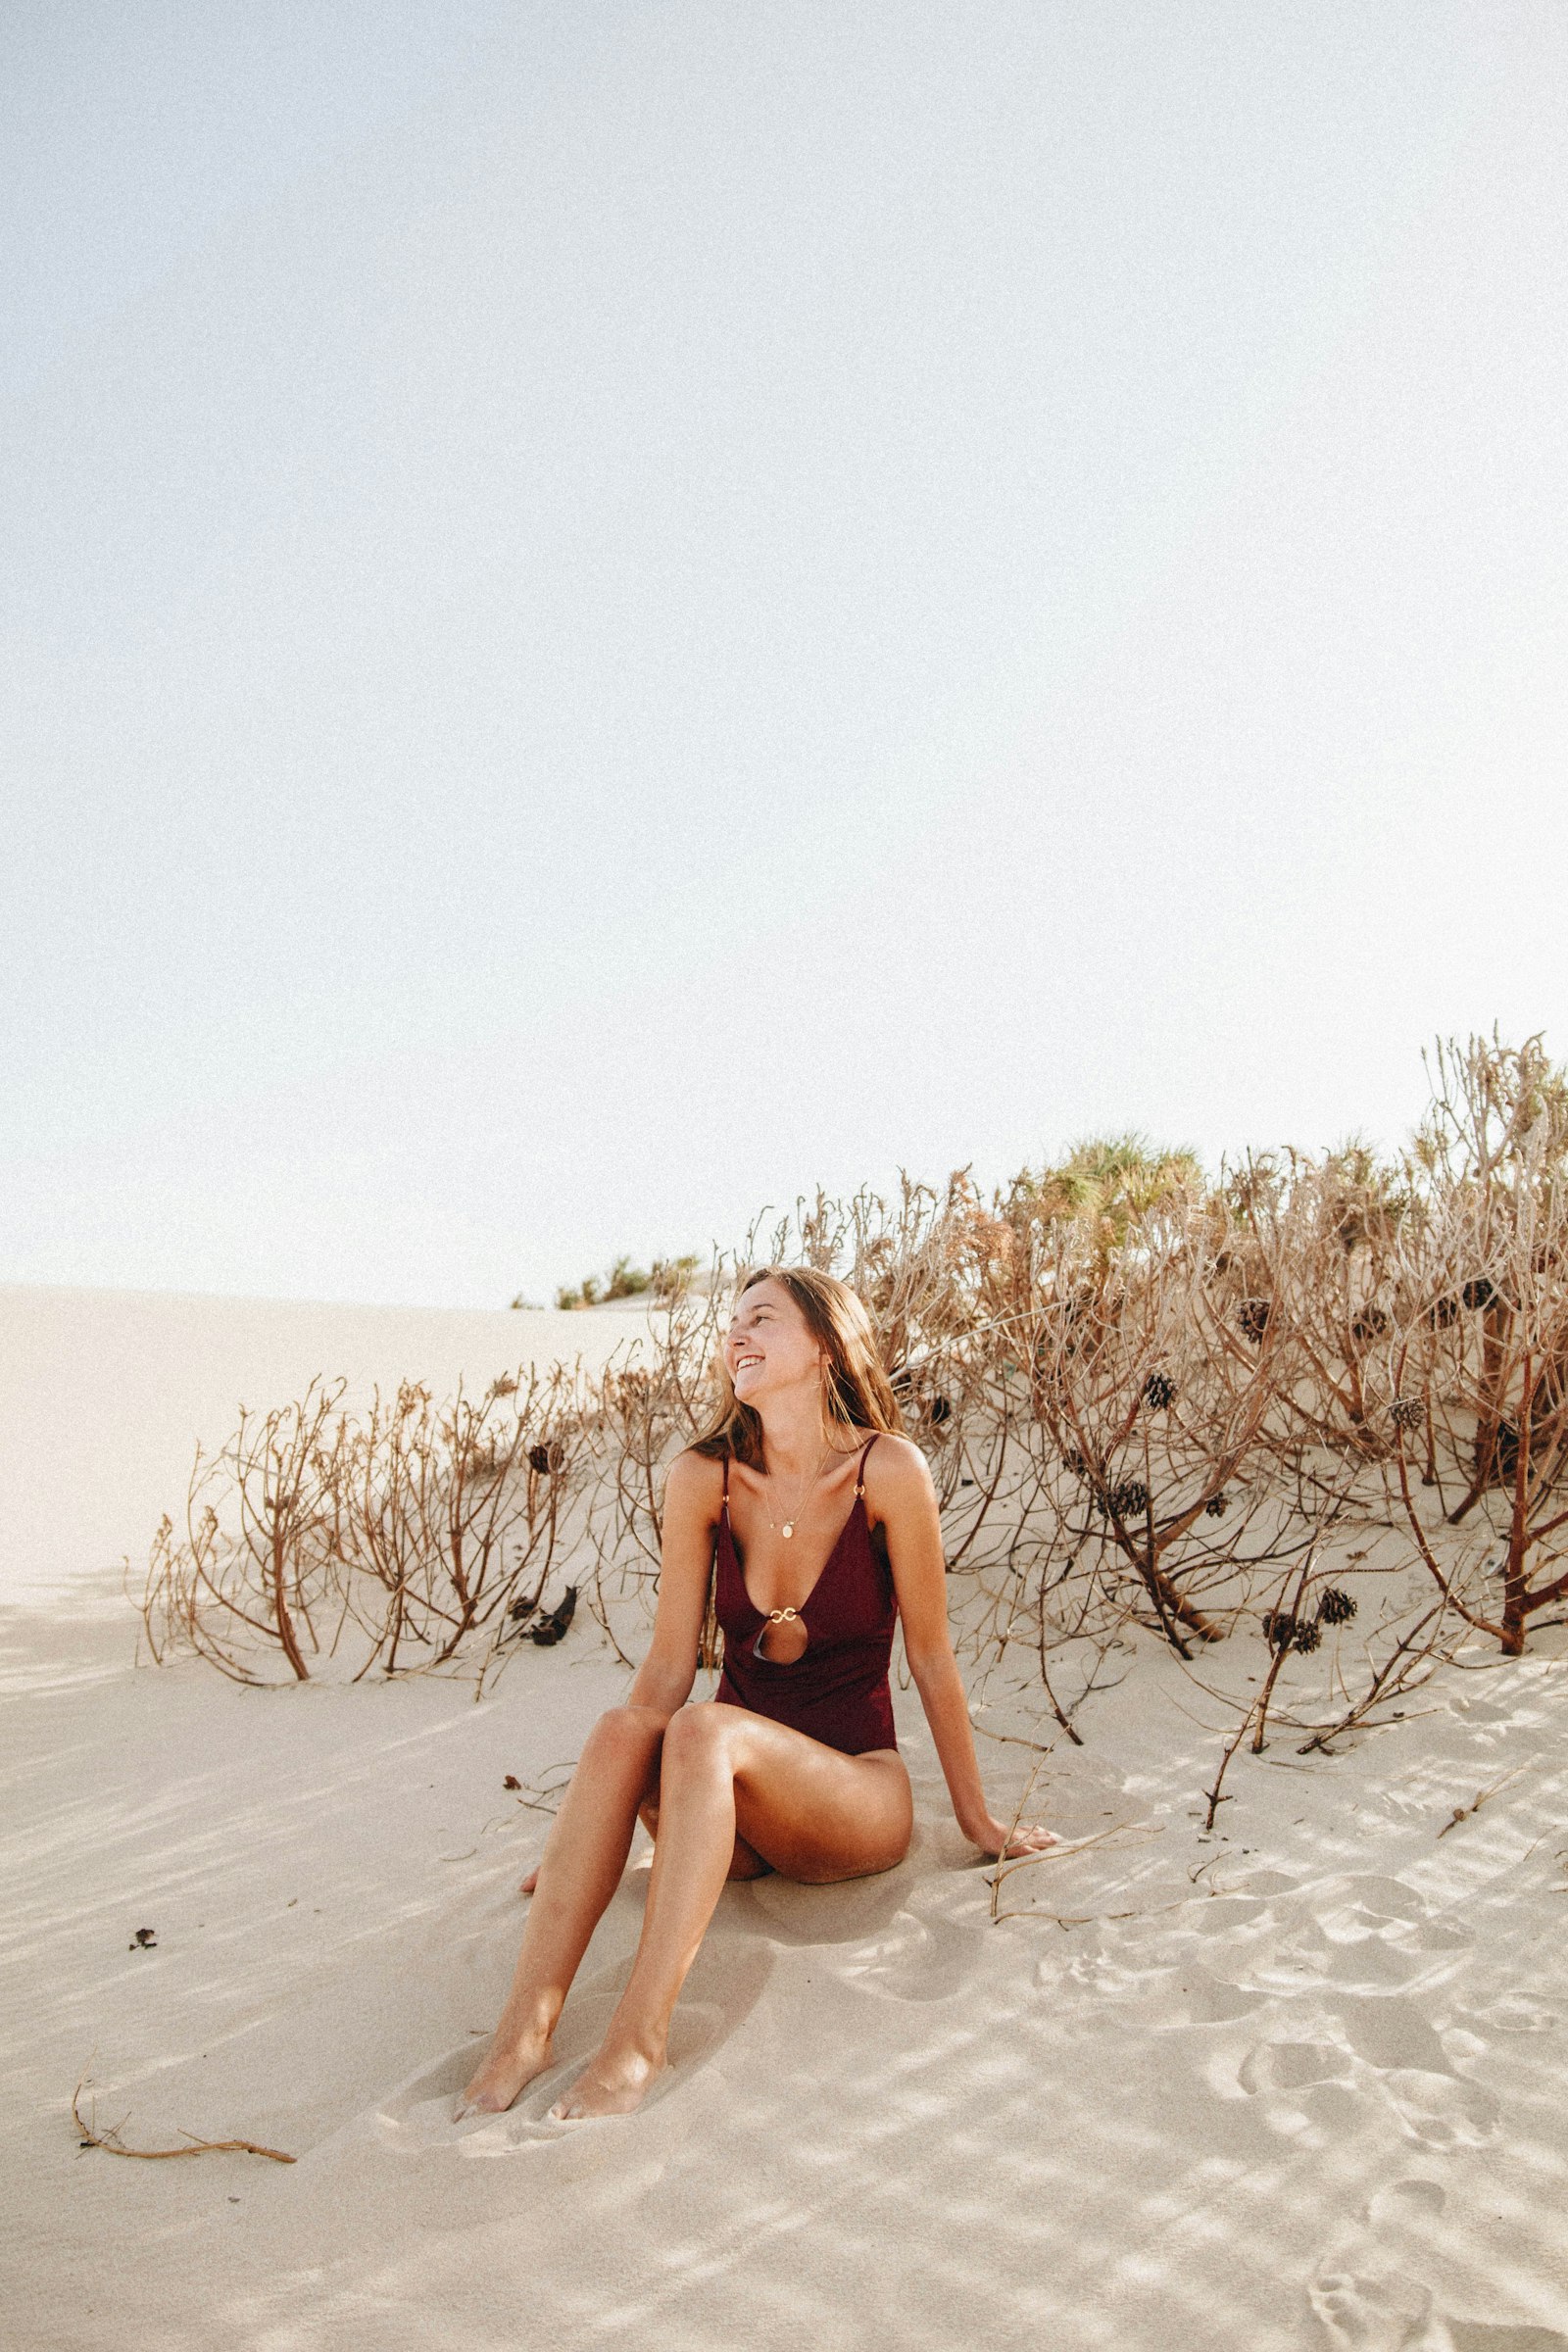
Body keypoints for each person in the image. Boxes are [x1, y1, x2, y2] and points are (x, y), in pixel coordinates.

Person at [457, 1264, 1056, 2125]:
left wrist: (977, 1821)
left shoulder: (887, 1472)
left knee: (705, 1731)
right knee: (626, 1730)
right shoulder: (704, 1476)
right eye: (731, 1323)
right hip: (725, 1818)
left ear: (824, 1347)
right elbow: (668, 1668)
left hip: (852, 1795)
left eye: (763, 1320)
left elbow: (930, 1655)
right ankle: (523, 2033)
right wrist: (582, 1834)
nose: (736, 1335)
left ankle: (637, 2043)